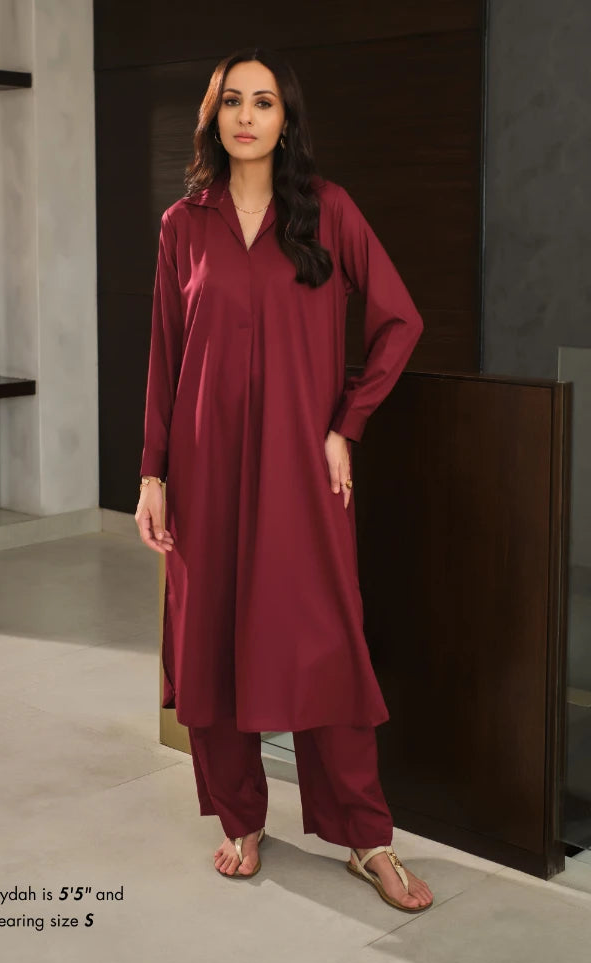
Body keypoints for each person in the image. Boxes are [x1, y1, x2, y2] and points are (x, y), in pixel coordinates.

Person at [136, 46, 434, 912]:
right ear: (213, 116)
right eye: (233, 100)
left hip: (303, 473)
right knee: (210, 641)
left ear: (285, 118)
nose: (247, 116)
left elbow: (400, 321)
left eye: (263, 102)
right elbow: (164, 356)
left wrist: (347, 424)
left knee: (326, 645)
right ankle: (240, 819)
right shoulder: (183, 224)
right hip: (202, 471)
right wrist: (152, 474)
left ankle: (366, 838)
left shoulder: (327, 211)